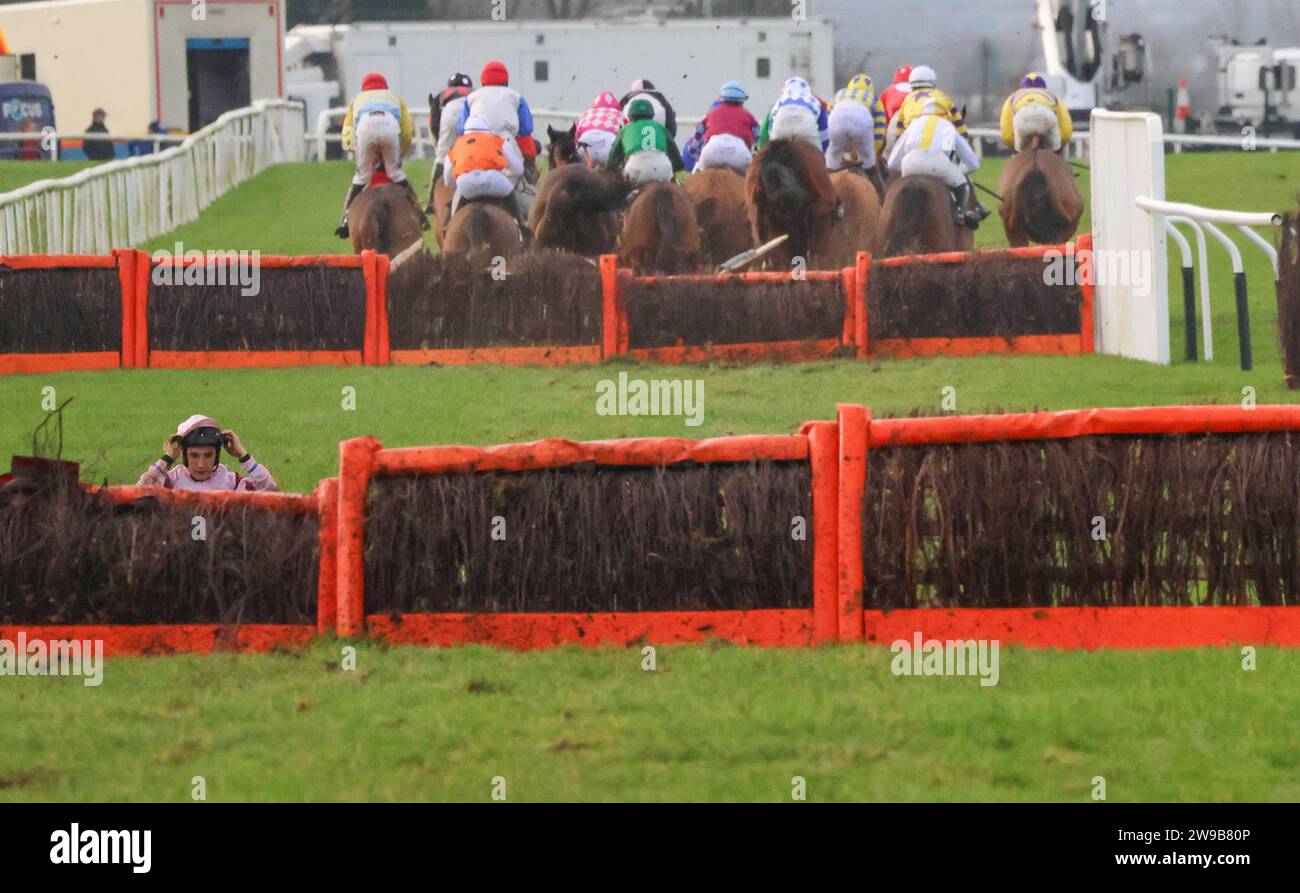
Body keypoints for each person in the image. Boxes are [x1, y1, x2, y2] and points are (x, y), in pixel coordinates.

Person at [336, 72, 428, 238]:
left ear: (364, 89)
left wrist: (359, 154)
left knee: (361, 177)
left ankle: (344, 220)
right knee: (395, 173)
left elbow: (348, 135)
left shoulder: (356, 99)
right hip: (389, 127)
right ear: (385, 88)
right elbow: (407, 132)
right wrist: (398, 155)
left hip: (365, 128)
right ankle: (420, 215)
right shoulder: (395, 98)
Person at [885, 90, 988, 229]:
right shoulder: (948, 126)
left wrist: (904, 170)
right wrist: (957, 171)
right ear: (945, 114)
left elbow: (892, 162)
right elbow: (973, 164)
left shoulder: (914, 125)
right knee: (963, 186)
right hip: (938, 164)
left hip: (910, 163)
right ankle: (961, 215)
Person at [137, 415, 277, 493]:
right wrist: (167, 459)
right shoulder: (171, 481)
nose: (201, 464)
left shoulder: (231, 482)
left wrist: (244, 457)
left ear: (217, 455)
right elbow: (139, 494)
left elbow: (271, 492)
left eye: (208, 455)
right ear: (184, 455)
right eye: (194, 455)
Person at [444, 114, 527, 231]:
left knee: (457, 196)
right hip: (493, 181)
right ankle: (522, 227)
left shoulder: (455, 145)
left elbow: (447, 181)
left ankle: (451, 229)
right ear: (488, 130)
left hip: (467, 184)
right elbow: (519, 169)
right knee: (510, 191)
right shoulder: (497, 140)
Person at [681, 81, 760, 175]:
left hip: (711, 152)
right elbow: (757, 136)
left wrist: (699, 158)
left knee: (692, 181)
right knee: (752, 180)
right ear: (742, 101)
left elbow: (693, 147)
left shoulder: (711, 114)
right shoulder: (749, 116)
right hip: (739, 154)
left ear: (721, 98)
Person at [606, 98, 684, 187]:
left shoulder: (625, 129)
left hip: (636, 168)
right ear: (651, 114)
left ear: (630, 115)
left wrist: (608, 169)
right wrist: (677, 167)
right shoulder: (661, 128)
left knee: (624, 195)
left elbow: (613, 158)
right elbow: (677, 160)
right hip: (662, 168)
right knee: (677, 191)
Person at [826, 73, 886, 172]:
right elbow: (879, 130)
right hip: (861, 120)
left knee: (832, 158)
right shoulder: (874, 99)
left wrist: (832, 144)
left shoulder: (839, 94)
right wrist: (872, 151)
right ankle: (876, 184)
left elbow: (827, 117)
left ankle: (829, 176)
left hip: (836, 119)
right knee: (869, 162)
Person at [429, 72, 474, 204]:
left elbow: (434, 123)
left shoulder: (442, 94)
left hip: (450, 116)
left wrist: (440, 145)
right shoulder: (475, 93)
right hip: (472, 113)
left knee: (442, 157)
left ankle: (431, 201)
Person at [999, 72, 1073, 152]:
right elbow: (1065, 130)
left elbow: (1006, 135)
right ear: (1043, 88)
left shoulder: (1012, 97)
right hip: (1046, 116)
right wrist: (1059, 146)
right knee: (1056, 152)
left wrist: (1014, 147)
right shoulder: (1052, 96)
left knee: (1019, 153)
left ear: (1022, 88)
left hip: (1022, 117)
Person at [756, 77, 830, 153]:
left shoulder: (780, 100)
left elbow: (770, 127)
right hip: (806, 128)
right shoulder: (814, 100)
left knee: (772, 156)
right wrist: (823, 154)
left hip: (781, 126)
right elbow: (824, 132)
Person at [574, 91, 627, 168]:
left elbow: (576, 137)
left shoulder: (585, 114)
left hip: (585, 144)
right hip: (608, 146)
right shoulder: (621, 115)